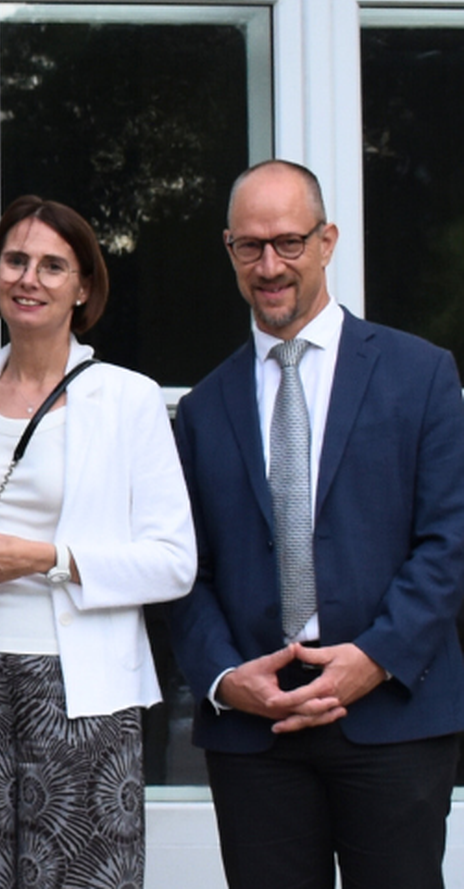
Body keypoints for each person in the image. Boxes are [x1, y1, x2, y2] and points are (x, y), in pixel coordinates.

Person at [171, 160, 464, 889]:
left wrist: (373, 656)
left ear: (328, 240)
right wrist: (225, 678)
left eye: (289, 242)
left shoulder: (421, 374)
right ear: (230, 250)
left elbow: (449, 538)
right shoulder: (205, 407)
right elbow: (182, 567)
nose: (270, 265)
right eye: (250, 246)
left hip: (393, 713)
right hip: (255, 729)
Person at [0, 196, 196, 888]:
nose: (29, 278)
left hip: (82, 686)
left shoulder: (126, 398)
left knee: (83, 873)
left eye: (52, 265)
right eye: (15, 260)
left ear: (83, 287)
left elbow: (175, 560)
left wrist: (49, 558)